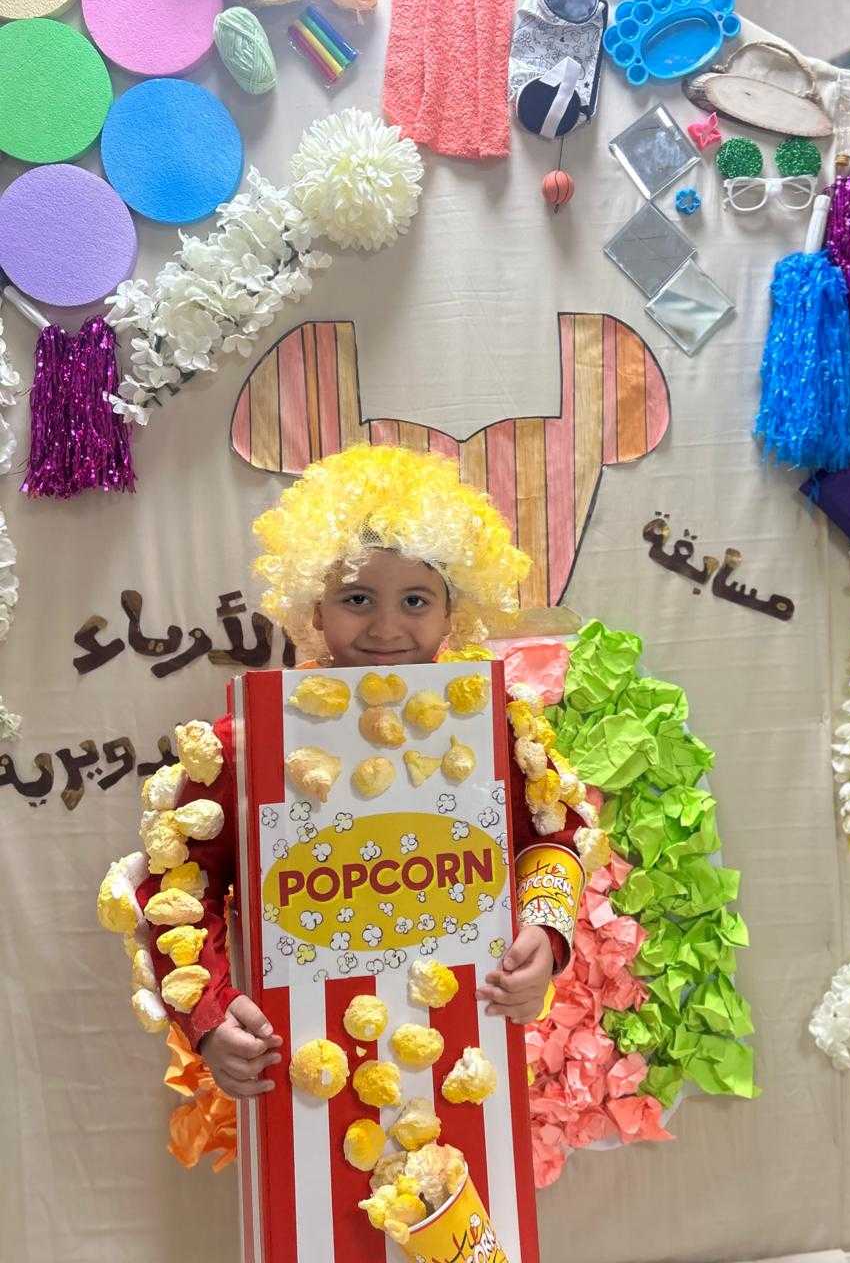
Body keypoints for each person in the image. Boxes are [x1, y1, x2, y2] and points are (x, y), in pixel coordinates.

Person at [103, 445, 599, 1103]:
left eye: (416, 599)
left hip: (468, 1051)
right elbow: (181, 888)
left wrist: (545, 933)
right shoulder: (247, 742)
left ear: (451, 612)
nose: (386, 626)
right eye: (357, 598)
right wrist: (211, 1015)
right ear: (315, 608)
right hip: (298, 1065)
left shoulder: (496, 725)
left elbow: (552, 836)